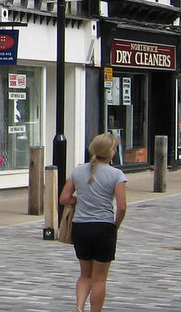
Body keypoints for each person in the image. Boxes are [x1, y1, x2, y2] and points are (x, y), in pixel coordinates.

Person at [59, 133, 128, 312]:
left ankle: (79, 306)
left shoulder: (78, 171)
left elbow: (64, 198)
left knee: (85, 274)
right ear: (110, 153)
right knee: (99, 278)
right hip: (103, 227)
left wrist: (79, 200)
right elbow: (122, 206)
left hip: (81, 226)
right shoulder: (117, 174)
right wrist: (116, 225)